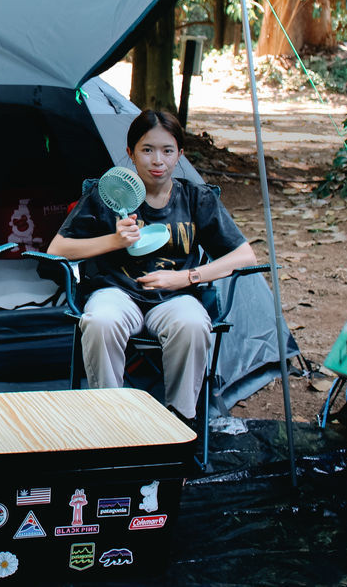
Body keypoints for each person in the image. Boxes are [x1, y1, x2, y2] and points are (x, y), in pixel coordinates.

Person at [47, 110, 256, 423]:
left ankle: (180, 426)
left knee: (193, 325)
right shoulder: (106, 196)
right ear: (131, 154)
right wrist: (113, 242)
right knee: (100, 321)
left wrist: (186, 277)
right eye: (147, 150)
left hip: (175, 297)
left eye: (167, 150)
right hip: (116, 292)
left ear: (180, 155)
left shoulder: (195, 199)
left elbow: (244, 256)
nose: (158, 160)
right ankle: (110, 423)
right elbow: (57, 250)